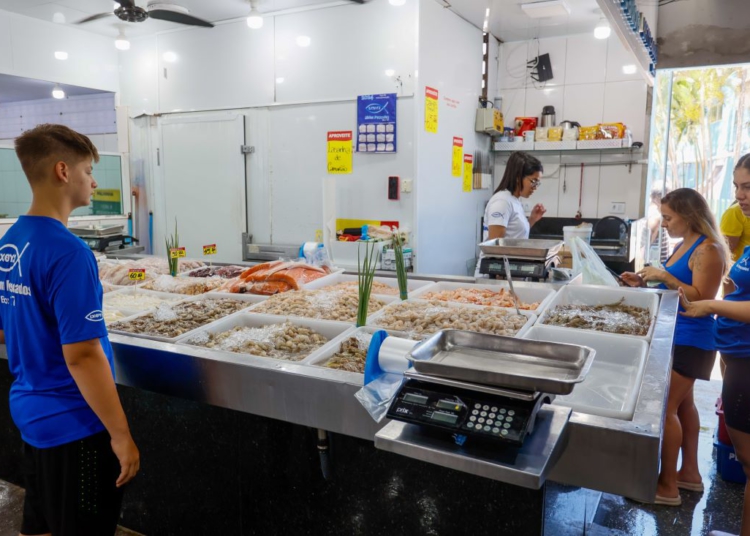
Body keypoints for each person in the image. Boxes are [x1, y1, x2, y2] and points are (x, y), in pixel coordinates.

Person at [0, 124, 139, 535]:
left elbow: (6, 328)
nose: (94, 181)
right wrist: (121, 435)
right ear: (63, 171)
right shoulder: (69, 252)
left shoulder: (13, 239)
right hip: (76, 425)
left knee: (41, 525)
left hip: (31, 415)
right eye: (88, 170)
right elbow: (82, 355)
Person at [622, 188, 728, 506]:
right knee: (683, 407)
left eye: (668, 217)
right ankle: (690, 474)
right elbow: (676, 290)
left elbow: (701, 298)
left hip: (693, 340)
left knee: (664, 409)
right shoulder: (686, 244)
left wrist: (665, 276)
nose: (664, 223)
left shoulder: (709, 250)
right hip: (678, 336)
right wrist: (646, 283)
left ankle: (667, 486)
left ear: (689, 216)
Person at [680, 155, 750, 536]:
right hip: (737, 357)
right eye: (737, 186)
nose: (740, 196)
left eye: (748, 187)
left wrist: (709, 305)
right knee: (745, 458)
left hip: (745, 358)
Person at [482, 151, 546, 241]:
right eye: (533, 181)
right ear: (518, 177)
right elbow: (495, 247)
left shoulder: (514, 200)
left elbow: (515, 235)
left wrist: (532, 219)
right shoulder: (502, 202)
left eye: (537, 183)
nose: (535, 187)